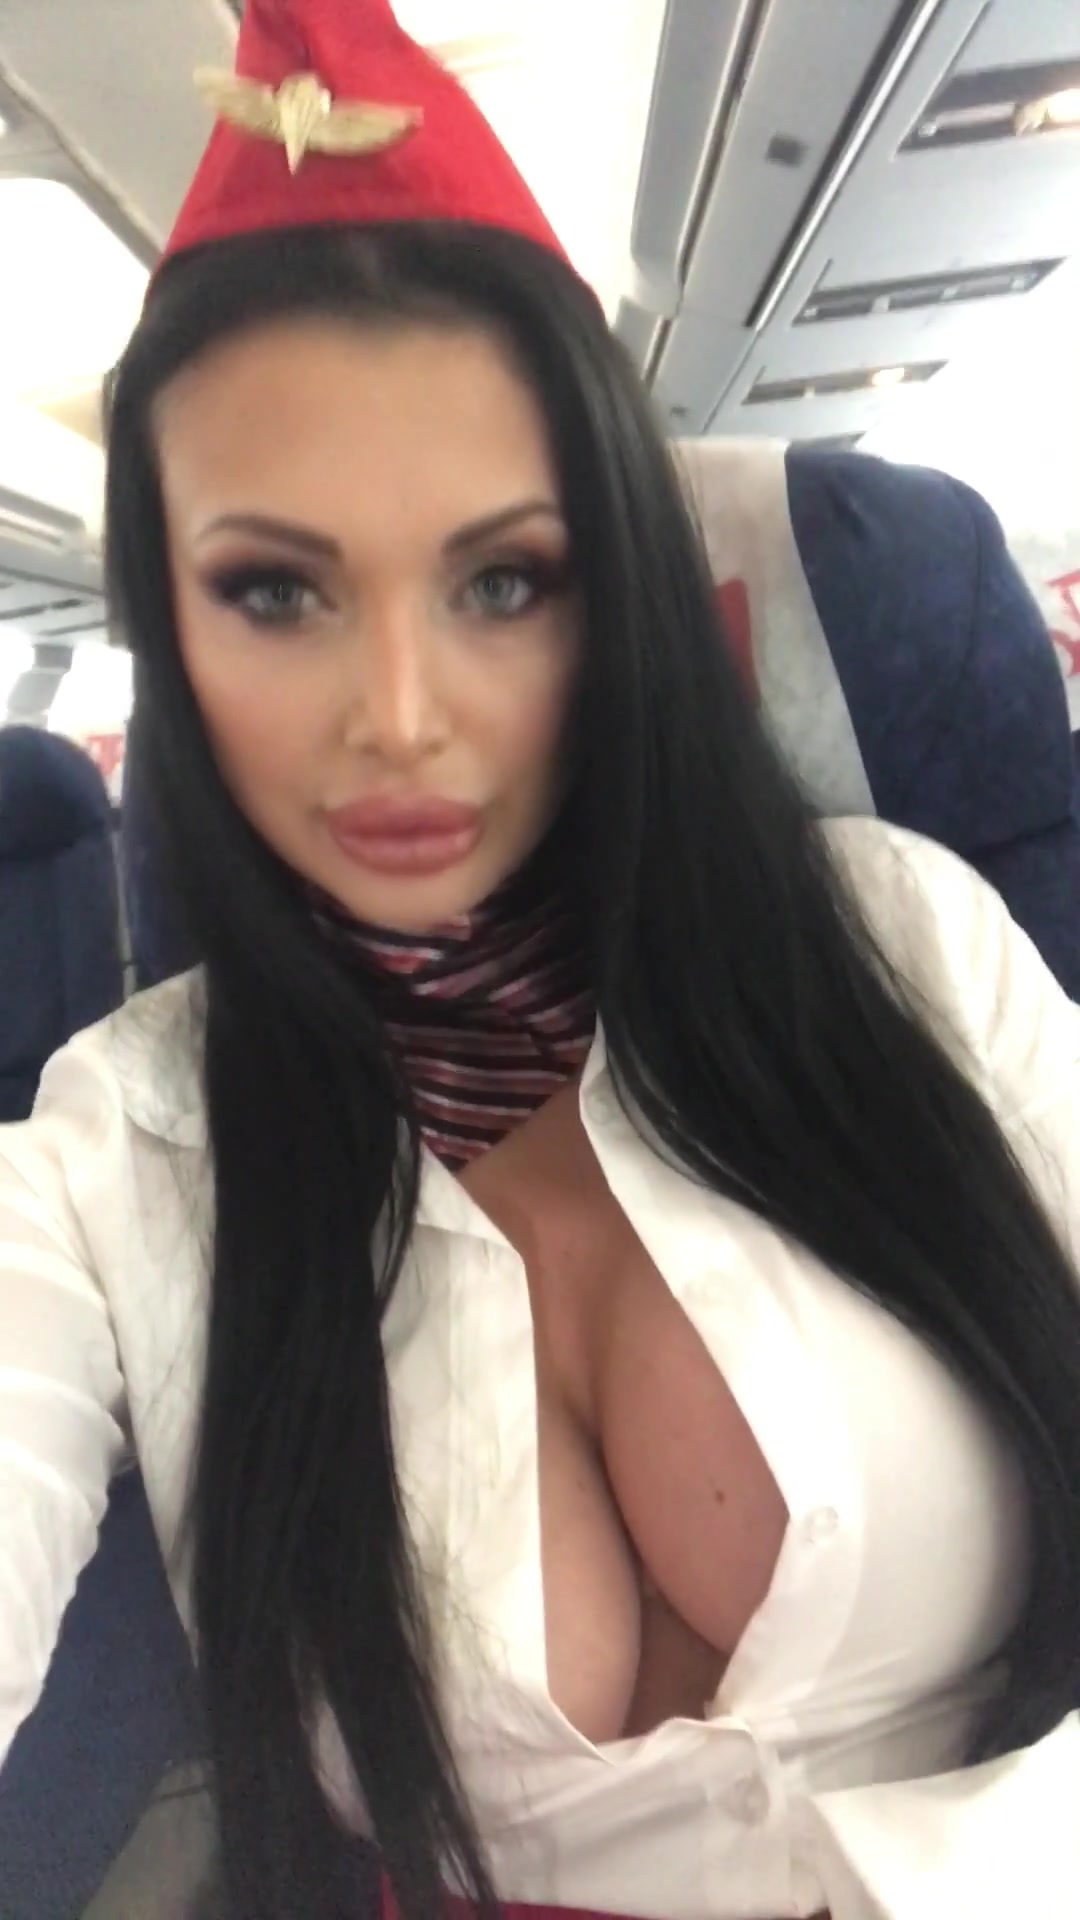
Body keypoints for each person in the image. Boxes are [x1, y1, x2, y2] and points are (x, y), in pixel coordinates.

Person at [3, 3, 1080, 1918]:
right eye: (275, 590)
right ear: (166, 620)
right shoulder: (117, 1151)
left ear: (625, 588)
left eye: (502, 580)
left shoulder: (902, 939)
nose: (401, 716)